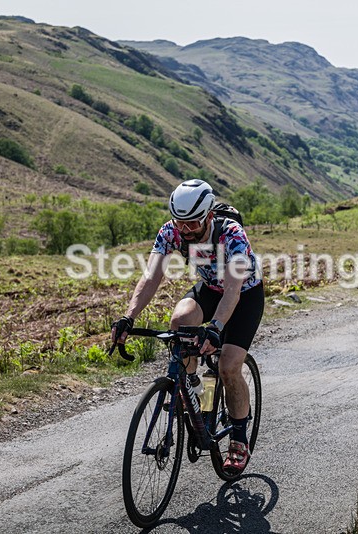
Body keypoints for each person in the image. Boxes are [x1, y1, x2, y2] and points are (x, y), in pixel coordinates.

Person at [112, 179, 264, 474]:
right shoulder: (171, 231)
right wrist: (128, 317)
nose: (185, 230)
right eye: (180, 223)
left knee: (228, 366)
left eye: (193, 223)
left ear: (208, 215)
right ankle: (191, 391)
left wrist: (216, 328)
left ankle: (238, 437)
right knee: (180, 321)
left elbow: (233, 290)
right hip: (210, 288)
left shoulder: (232, 234)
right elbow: (151, 277)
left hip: (244, 295)